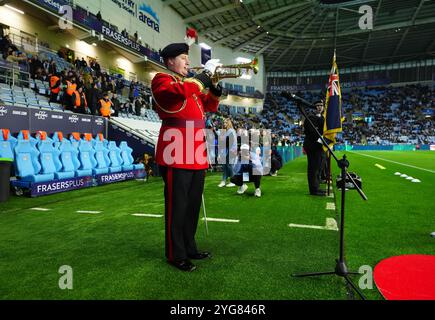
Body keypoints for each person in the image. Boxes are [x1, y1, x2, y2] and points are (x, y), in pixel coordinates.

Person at [152, 42, 222, 272]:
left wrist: (215, 86)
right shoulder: (162, 80)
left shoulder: (190, 85)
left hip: (195, 152)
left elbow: (210, 106)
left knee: (191, 206)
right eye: (183, 58)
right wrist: (204, 76)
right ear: (170, 61)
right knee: (177, 207)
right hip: (176, 151)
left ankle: (190, 247)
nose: (188, 62)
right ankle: (176, 254)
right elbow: (178, 93)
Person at [303, 100, 326, 196]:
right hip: (312, 146)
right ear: (314, 107)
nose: (319, 107)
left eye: (321, 105)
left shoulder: (323, 118)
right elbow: (312, 133)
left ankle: (316, 187)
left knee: (319, 167)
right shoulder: (310, 118)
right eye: (317, 105)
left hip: (319, 146)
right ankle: (313, 190)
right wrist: (323, 140)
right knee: (313, 168)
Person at [217, 118, 237, 187]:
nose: (224, 124)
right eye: (224, 123)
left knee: (229, 165)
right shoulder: (227, 131)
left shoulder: (231, 131)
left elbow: (229, 142)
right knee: (225, 166)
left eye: (225, 123)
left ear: (228, 123)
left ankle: (233, 181)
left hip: (231, 150)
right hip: (227, 150)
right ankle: (223, 181)